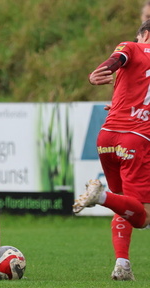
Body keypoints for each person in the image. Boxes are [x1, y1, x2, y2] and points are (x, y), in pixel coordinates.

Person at [74, 20, 150, 281]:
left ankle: (122, 264)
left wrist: (98, 72)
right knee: (143, 215)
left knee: (125, 204)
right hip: (136, 141)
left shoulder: (132, 46)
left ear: (145, 34)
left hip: (107, 137)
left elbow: (117, 58)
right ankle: (101, 197)